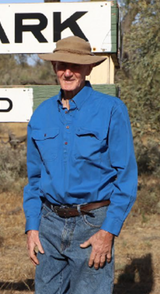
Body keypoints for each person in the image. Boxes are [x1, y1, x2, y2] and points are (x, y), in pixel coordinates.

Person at [23, 36, 137, 293]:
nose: (67, 72)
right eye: (62, 65)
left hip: (92, 224)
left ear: (89, 69)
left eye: (75, 66)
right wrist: (32, 227)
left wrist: (108, 231)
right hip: (48, 224)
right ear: (54, 68)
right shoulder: (41, 114)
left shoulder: (111, 109)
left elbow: (126, 177)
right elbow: (34, 179)